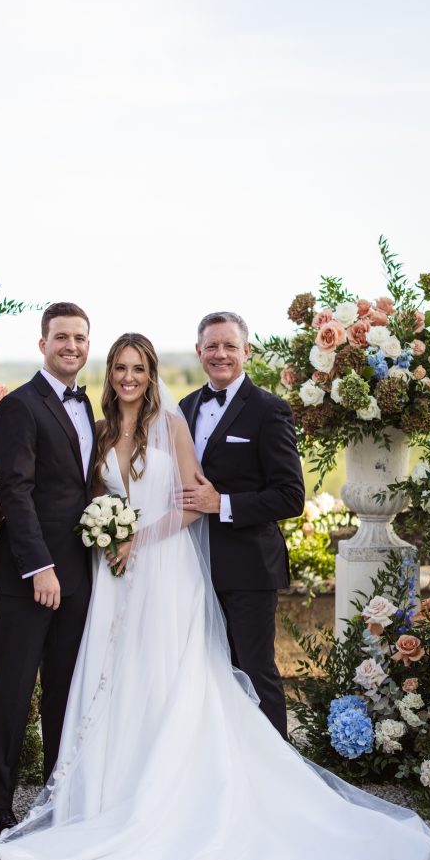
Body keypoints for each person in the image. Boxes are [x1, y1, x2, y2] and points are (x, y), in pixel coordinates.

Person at [0, 334, 430, 860]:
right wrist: (104, 537)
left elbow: (192, 501)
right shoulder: (95, 425)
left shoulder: (169, 422)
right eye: (117, 367)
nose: (126, 377)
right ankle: (107, 796)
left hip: (161, 572)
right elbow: (78, 493)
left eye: (137, 368)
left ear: (150, 375)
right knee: (111, 681)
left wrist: (134, 540)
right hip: (110, 576)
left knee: (173, 680)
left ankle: (170, 796)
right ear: (106, 373)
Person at [0, 302, 96, 836]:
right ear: (42, 344)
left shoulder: (86, 402)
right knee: (13, 688)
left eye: (78, 338)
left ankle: (54, 791)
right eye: (61, 337)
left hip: (80, 572)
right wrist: (39, 568)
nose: (70, 346)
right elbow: (17, 491)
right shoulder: (20, 406)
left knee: (62, 687)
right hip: (32, 575)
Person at [179, 311, 305, 737]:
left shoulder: (270, 410)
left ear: (246, 351)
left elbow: (291, 496)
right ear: (199, 353)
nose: (220, 354)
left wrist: (223, 503)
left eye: (230, 346)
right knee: (206, 672)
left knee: (254, 671)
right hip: (194, 567)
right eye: (211, 346)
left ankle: (276, 771)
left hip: (250, 568)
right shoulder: (185, 408)